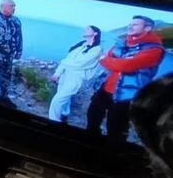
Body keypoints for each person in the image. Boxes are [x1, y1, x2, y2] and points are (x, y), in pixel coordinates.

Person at [86, 15, 166, 146]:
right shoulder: (124, 42)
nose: (130, 26)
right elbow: (110, 56)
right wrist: (114, 62)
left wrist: (108, 60)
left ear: (147, 28)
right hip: (107, 88)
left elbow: (125, 66)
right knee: (93, 115)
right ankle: (90, 143)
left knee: (116, 128)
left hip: (128, 95)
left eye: (135, 24)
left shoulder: (154, 49)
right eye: (130, 24)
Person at [47, 26, 104, 122]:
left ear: (95, 33)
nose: (85, 30)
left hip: (76, 77)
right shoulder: (81, 45)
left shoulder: (97, 49)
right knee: (64, 99)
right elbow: (68, 59)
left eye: (88, 29)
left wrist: (64, 62)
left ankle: (54, 120)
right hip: (65, 74)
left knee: (57, 100)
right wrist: (58, 73)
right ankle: (64, 115)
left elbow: (80, 63)